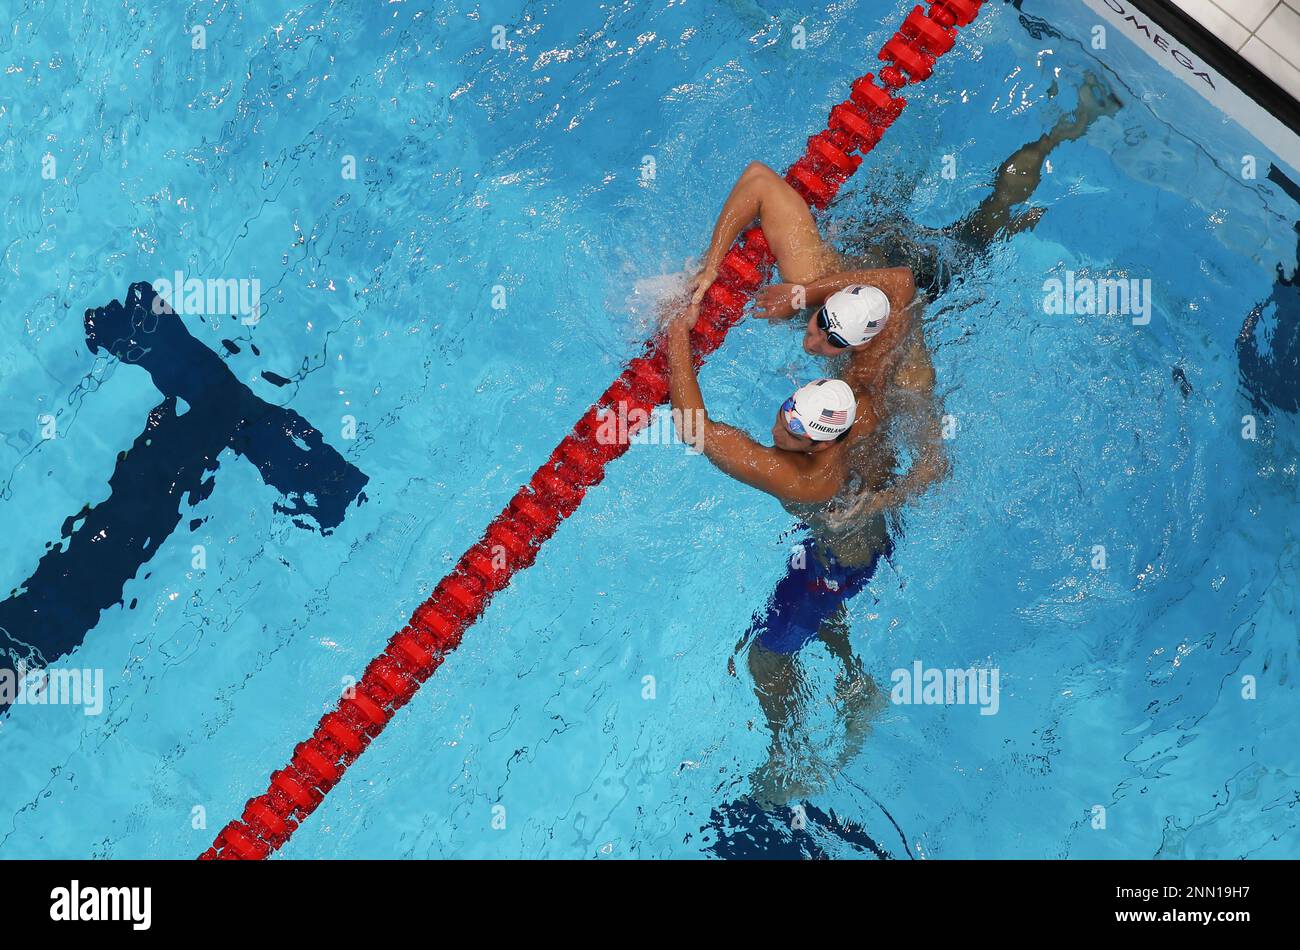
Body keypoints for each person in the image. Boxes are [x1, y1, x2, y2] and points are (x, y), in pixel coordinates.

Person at [673, 74, 1121, 803]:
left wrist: (877, 495)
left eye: (825, 337)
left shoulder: (897, 390)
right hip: (893, 285)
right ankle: (855, 683)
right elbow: (767, 187)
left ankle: (791, 757)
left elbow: (936, 464)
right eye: (818, 329)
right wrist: (713, 277)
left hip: (851, 536)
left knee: (768, 656)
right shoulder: (836, 296)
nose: (812, 343)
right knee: (978, 225)